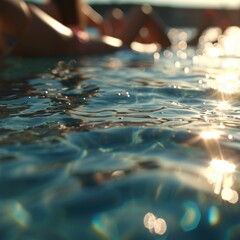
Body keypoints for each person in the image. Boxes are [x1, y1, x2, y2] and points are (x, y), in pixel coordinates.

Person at [0, 0, 171, 57]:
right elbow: (101, 26)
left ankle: (165, 45)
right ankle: (170, 45)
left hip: (83, 45)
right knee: (134, 47)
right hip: (84, 44)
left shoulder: (50, 9)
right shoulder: (75, 7)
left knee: (136, 48)